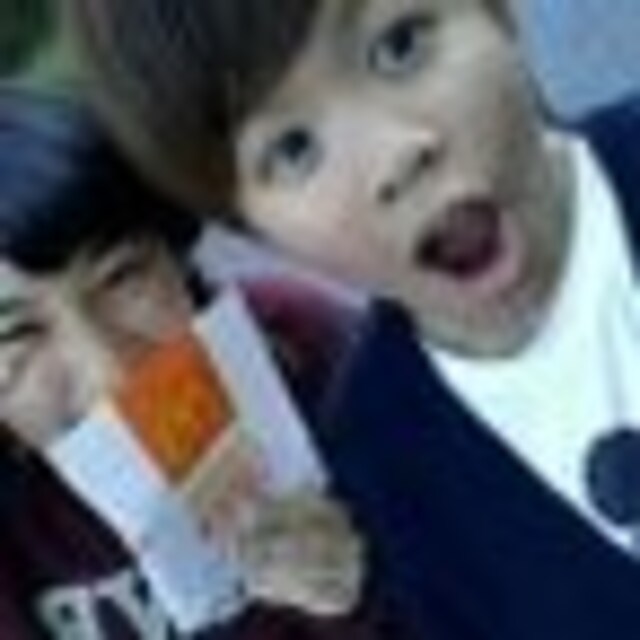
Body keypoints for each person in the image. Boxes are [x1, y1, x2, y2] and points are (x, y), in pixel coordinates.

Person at [65, 0, 640, 638]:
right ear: (254, 231)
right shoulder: (381, 471)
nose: (395, 157)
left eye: (400, 45)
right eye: (294, 150)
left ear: (497, 14)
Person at [0, 88, 406, 640]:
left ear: (177, 257)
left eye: (121, 277)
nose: (109, 372)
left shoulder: (299, 343)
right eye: (18, 332)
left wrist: (359, 590)